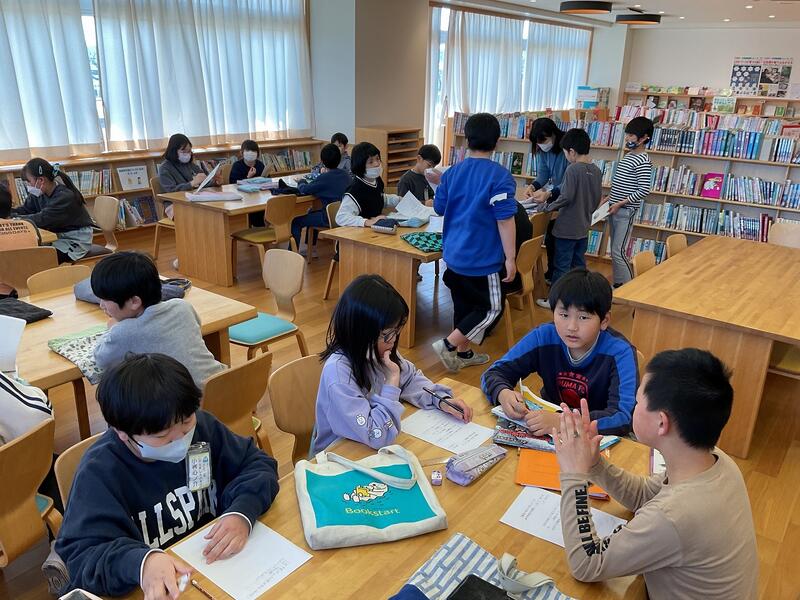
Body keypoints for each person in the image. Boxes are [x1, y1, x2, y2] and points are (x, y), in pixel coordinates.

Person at [55, 353, 280, 598]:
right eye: (162, 436)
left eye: (186, 422)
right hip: (147, 587)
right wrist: (141, 562)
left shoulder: (203, 428)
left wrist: (242, 511)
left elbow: (257, 465)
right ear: (122, 433)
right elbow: (82, 557)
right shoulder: (99, 472)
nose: (180, 439)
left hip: (211, 570)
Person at [554, 349, 757, 599]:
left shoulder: (672, 515)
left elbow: (586, 564)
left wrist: (573, 475)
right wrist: (595, 464)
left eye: (638, 402)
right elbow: (645, 495)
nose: (633, 407)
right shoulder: (717, 461)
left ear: (662, 423)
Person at [312, 275, 473, 452]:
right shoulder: (339, 373)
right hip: (340, 455)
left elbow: (410, 379)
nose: (394, 340)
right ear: (361, 332)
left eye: (397, 331)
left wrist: (441, 400)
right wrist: (391, 382)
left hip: (371, 447)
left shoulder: (377, 351)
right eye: (387, 334)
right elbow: (376, 435)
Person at [481, 268, 636, 436]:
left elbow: (623, 417)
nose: (571, 327)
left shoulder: (620, 352)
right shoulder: (544, 337)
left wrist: (563, 421)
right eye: (564, 315)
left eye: (583, 317)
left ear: (604, 321)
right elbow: (493, 373)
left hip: (598, 437)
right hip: (547, 429)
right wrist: (502, 393)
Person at [431, 113, 518, 373]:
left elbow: (439, 208)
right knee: (492, 308)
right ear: (497, 142)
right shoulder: (500, 176)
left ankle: (464, 352)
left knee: (464, 306)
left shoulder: (452, 173)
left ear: (466, 140)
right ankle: (448, 345)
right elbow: (505, 220)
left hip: (454, 256)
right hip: (483, 260)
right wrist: (511, 258)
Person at [91, 251, 226, 388]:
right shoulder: (182, 306)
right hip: (224, 384)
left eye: (105, 299)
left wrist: (112, 327)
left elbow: (101, 359)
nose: (101, 305)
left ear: (134, 302)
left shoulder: (124, 331)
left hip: (186, 400)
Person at [533, 128, 602, 308]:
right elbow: (596, 200)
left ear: (571, 152)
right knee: (579, 266)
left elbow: (566, 196)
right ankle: (581, 298)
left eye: (564, 153)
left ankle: (555, 301)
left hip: (566, 228)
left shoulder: (573, 169)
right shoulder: (596, 170)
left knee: (561, 266)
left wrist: (546, 207)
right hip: (583, 227)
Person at [12, 158, 94, 263]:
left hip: (75, 239)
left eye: (28, 182)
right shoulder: (38, 193)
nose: (28, 186)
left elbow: (42, 219)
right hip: (57, 236)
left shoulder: (64, 197)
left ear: (41, 180)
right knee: (25, 253)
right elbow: (25, 210)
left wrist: (15, 220)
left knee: (38, 259)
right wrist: (7, 213)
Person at [606, 116, 654, 287]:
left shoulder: (643, 161)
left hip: (625, 212)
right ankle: (618, 284)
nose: (627, 138)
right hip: (614, 209)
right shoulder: (629, 156)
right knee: (614, 251)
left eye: (632, 135)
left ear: (644, 138)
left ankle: (628, 287)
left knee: (618, 252)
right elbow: (621, 184)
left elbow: (644, 190)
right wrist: (608, 199)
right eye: (627, 135)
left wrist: (620, 203)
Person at [526, 118, 568, 285]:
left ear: (553, 134)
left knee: (559, 239)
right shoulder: (543, 151)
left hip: (566, 196)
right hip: (554, 195)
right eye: (538, 142)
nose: (542, 145)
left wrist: (550, 192)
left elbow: (569, 181)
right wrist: (533, 186)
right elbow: (543, 173)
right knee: (550, 236)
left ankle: (559, 276)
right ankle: (552, 273)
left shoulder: (567, 149)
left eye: (543, 140)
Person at [289, 143, 351, 252]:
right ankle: (310, 248)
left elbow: (304, 190)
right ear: (339, 158)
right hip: (346, 216)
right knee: (312, 211)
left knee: (296, 221)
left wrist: (301, 181)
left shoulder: (324, 178)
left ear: (322, 161)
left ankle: (292, 253)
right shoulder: (346, 175)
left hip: (329, 218)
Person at [335, 142, 401, 227]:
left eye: (377, 159)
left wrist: (397, 200)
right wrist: (367, 222)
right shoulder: (355, 189)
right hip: (360, 231)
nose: (377, 164)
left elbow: (377, 198)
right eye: (371, 162)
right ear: (360, 166)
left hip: (376, 228)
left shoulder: (376, 179)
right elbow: (341, 217)